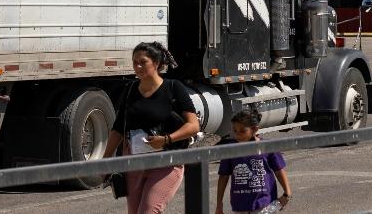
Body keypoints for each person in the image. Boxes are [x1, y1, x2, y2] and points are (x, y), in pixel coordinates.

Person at [103, 41, 201, 214]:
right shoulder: (130, 89)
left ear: (156, 63)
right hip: (134, 163)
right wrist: (105, 160)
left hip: (166, 162)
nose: (138, 66)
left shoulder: (173, 88)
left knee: (148, 211)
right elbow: (118, 128)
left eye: (143, 62)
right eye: (134, 62)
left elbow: (193, 126)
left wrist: (166, 139)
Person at [216, 108, 292, 214]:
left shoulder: (268, 147)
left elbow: (279, 170)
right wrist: (219, 204)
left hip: (265, 204)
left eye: (243, 131)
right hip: (240, 206)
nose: (238, 134)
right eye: (235, 130)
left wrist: (287, 193)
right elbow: (223, 176)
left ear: (255, 129)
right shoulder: (230, 149)